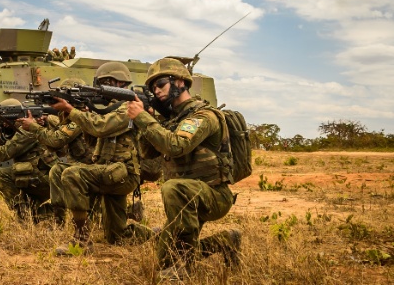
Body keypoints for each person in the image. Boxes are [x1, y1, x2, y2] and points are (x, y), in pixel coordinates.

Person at [127, 57, 241, 279]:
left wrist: (143, 118)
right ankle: (225, 241)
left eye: (160, 84)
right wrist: (146, 121)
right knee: (163, 251)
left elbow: (176, 146)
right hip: (189, 196)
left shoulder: (203, 115)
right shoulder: (172, 120)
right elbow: (149, 153)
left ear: (180, 82)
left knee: (173, 188)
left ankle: (182, 268)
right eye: (152, 88)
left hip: (213, 194)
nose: (156, 91)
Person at [49, 62, 154, 256]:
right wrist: (80, 112)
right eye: (101, 83)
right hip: (109, 171)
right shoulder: (109, 108)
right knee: (117, 236)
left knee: (72, 174)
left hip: (123, 173)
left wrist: (73, 111)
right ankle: (157, 234)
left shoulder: (129, 107)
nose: (102, 88)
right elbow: (93, 135)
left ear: (120, 84)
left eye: (107, 83)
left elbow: (102, 127)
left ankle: (81, 240)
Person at [17, 78, 96, 227]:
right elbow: (55, 147)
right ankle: (58, 219)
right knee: (57, 170)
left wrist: (34, 127)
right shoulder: (66, 116)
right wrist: (43, 125)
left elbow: (56, 140)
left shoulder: (81, 116)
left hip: (91, 167)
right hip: (80, 165)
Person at [0, 98, 58, 224]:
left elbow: (3, 154)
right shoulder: (24, 128)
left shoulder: (26, 130)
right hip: (42, 175)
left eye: (5, 120)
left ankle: (31, 215)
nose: (3, 124)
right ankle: (36, 215)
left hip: (44, 178)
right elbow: (15, 147)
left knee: (2, 175)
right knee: (30, 207)